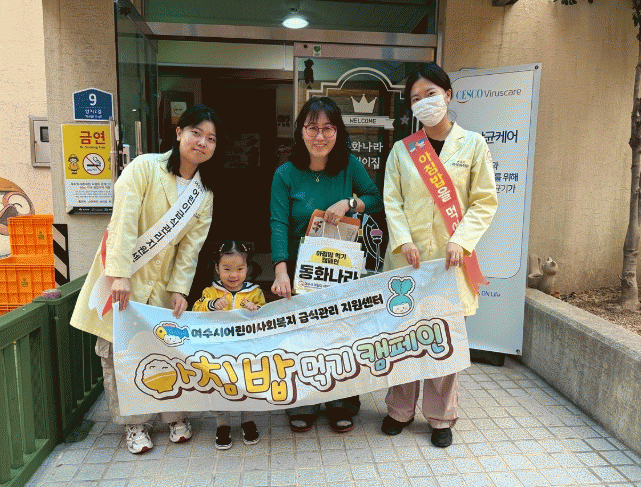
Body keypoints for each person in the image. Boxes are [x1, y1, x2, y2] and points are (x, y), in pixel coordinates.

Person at [70, 105, 220, 454]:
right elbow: (122, 222)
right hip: (122, 279)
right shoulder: (144, 168)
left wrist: (180, 289)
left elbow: (190, 249)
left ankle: (174, 416)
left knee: (167, 350)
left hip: (162, 285)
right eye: (196, 132)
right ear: (179, 133)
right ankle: (134, 424)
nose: (202, 142)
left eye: (211, 138)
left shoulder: (204, 193)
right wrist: (120, 275)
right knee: (120, 353)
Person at [380, 62, 498, 448]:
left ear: (448, 95)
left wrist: (461, 240)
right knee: (403, 339)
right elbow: (392, 201)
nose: (424, 102)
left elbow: (484, 201)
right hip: (408, 263)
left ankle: (441, 417)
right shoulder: (402, 151)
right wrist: (402, 240)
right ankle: (399, 409)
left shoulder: (473, 145)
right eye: (415, 98)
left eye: (430, 93)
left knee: (443, 341)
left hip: (450, 264)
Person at [270, 96, 383, 433]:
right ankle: (304, 399)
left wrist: (349, 202)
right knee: (303, 334)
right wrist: (280, 270)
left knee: (341, 333)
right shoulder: (285, 174)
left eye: (327, 128)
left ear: (338, 132)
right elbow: (278, 222)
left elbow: (376, 198)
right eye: (312, 128)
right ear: (301, 131)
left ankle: (342, 400)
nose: (319, 136)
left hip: (341, 268)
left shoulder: (350, 166)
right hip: (303, 271)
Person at [192, 240, 265, 450]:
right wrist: (212, 305)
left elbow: (265, 315)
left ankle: (248, 421)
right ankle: (222, 425)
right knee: (219, 386)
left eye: (240, 269)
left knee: (247, 385)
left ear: (247, 268)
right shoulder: (211, 292)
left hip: (246, 350)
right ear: (217, 268)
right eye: (227, 269)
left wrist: (256, 309)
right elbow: (196, 310)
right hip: (219, 351)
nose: (234, 275)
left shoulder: (254, 292)